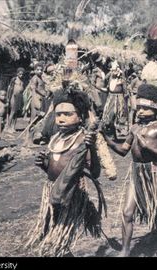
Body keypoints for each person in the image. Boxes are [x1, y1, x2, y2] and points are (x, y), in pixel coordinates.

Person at [24, 86, 105, 257]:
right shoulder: (56, 138)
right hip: (52, 190)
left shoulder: (83, 140)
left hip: (70, 194)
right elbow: (55, 168)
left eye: (68, 114)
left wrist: (92, 150)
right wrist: (44, 164)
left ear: (81, 116)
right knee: (53, 237)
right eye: (58, 114)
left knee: (59, 240)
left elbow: (95, 173)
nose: (61, 119)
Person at [102, 84, 157, 257]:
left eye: (145, 108)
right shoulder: (135, 128)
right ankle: (125, 250)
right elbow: (123, 150)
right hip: (136, 173)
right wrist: (107, 140)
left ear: (156, 108)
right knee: (127, 212)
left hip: (154, 173)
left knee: (155, 212)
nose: (140, 111)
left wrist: (147, 148)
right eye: (139, 107)